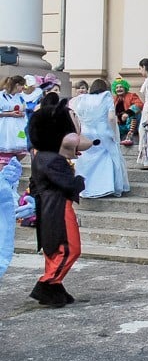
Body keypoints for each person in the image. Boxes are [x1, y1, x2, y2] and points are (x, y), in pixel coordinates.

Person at [26, 97, 92, 307]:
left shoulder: (43, 156)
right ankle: (46, 283)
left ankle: (55, 286)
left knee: (54, 249)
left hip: (48, 205)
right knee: (69, 248)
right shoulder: (52, 159)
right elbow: (68, 185)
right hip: (57, 207)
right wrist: (80, 180)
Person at [72, 79, 130, 198]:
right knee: (107, 156)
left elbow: (77, 116)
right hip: (102, 131)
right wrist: (114, 132)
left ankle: (86, 186)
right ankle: (105, 186)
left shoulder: (83, 98)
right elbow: (111, 118)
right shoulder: (106, 96)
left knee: (87, 158)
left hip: (86, 131)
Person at [0, 76, 28, 165]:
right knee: (5, 152)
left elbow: (25, 109)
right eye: (22, 86)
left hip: (19, 126)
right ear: (17, 85)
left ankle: (13, 163)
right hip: (6, 126)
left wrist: (22, 114)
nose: (23, 88)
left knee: (23, 149)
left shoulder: (20, 97)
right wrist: (9, 114)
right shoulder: (2, 96)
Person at [112, 78, 143, 147]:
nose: (119, 89)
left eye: (121, 87)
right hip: (120, 125)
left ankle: (130, 136)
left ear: (125, 88)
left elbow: (139, 104)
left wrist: (127, 113)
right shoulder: (114, 99)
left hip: (130, 124)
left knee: (134, 111)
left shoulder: (131, 96)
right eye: (117, 87)